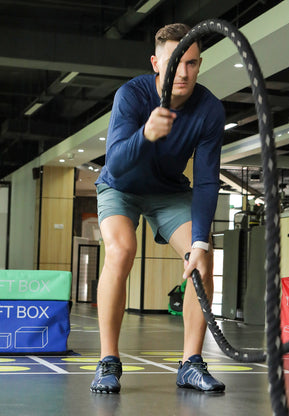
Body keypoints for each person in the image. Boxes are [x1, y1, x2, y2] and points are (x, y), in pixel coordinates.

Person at [90, 23, 225, 394]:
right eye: (174, 62)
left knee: (203, 258)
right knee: (121, 251)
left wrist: (199, 242)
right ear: (156, 62)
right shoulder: (131, 96)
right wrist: (145, 134)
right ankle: (107, 361)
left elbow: (208, 181)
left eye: (193, 64)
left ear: (200, 64)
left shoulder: (210, 109)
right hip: (122, 186)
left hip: (167, 190)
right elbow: (115, 164)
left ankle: (191, 363)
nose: (183, 73)